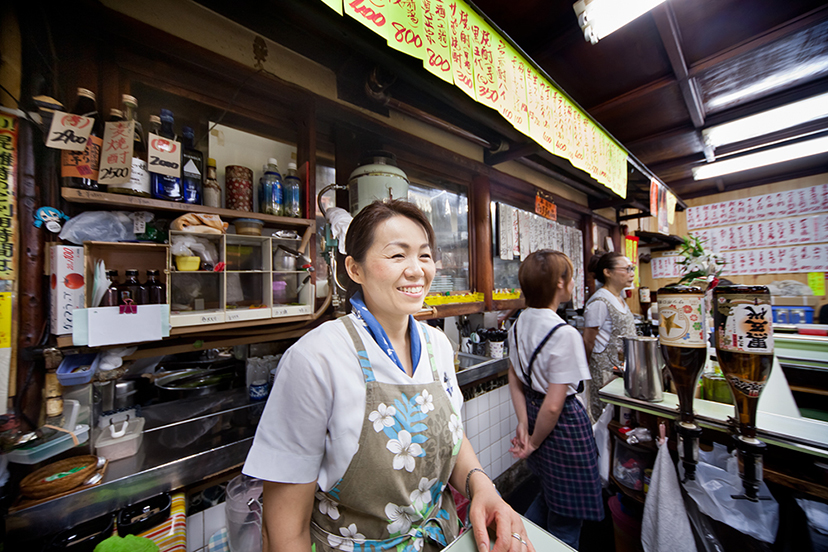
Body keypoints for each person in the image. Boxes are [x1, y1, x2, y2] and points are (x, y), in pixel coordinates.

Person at [244, 199, 533, 552]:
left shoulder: (437, 346)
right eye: (397, 256)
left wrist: (481, 486)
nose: (416, 270)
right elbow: (285, 533)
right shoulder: (315, 358)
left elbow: (451, 439)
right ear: (355, 269)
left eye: (424, 256)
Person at [507, 250, 603, 550]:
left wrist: (524, 424)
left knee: (550, 494)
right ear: (560, 283)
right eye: (571, 276)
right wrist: (533, 441)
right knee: (567, 518)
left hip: (536, 419)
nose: (573, 281)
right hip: (563, 428)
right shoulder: (565, 334)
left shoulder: (517, 323)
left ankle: (521, 542)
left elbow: (514, 378)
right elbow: (554, 403)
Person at [582, 252, 636, 423]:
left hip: (621, 370)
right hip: (605, 372)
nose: (632, 273)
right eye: (627, 269)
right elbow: (588, 340)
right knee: (604, 419)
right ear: (608, 272)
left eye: (632, 268)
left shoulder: (618, 298)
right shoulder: (599, 301)